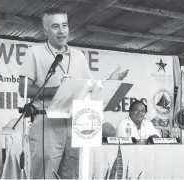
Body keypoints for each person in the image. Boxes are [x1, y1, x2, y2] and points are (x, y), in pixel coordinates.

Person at [18, 8, 128, 179]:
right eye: (55, 26)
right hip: (47, 123)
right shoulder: (34, 52)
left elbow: (89, 89)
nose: (62, 31)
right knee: (44, 175)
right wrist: (59, 91)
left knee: (72, 175)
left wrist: (110, 81)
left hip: (76, 123)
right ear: (45, 30)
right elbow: (23, 89)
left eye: (65, 25)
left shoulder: (78, 56)